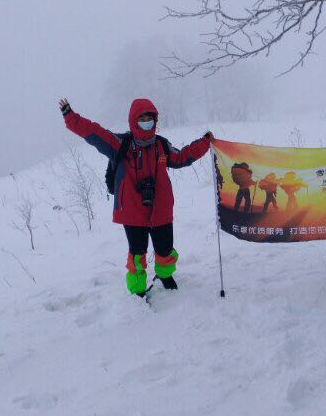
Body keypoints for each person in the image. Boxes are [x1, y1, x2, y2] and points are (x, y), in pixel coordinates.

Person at [59, 97, 212, 297]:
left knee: (165, 249)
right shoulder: (119, 144)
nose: (147, 121)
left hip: (161, 209)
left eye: (150, 118)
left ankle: (165, 275)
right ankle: (138, 289)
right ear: (133, 120)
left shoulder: (161, 146)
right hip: (132, 211)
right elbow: (93, 132)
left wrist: (205, 143)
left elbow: (182, 157)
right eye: (142, 118)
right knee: (137, 253)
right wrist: (71, 117)